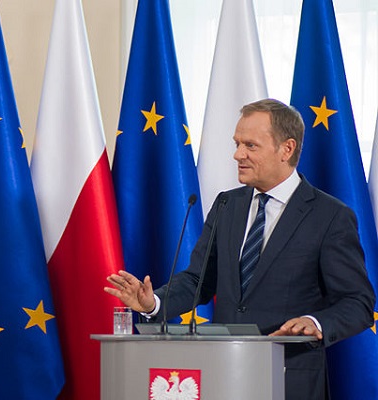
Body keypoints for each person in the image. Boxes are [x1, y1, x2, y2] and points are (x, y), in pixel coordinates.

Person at [105, 98, 375, 400]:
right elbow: (197, 280)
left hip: (289, 379)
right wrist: (153, 303)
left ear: (286, 149)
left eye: (250, 146)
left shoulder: (329, 216)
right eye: (237, 144)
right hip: (224, 376)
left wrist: (314, 323)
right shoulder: (227, 205)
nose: (237, 155)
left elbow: (358, 302)